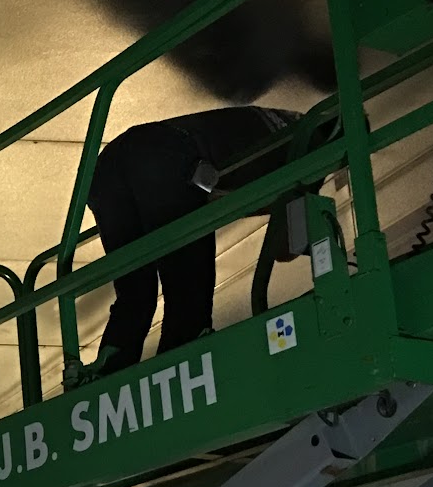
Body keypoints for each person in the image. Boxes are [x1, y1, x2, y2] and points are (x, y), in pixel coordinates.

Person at [82, 105, 308, 380]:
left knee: (135, 293)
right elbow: (287, 246)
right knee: (188, 288)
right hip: (167, 159)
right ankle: (179, 376)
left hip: (108, 168)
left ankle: (108, 373)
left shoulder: (280, 124)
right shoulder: (313, 143)